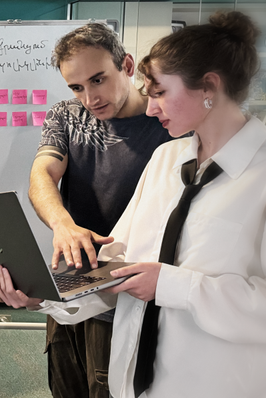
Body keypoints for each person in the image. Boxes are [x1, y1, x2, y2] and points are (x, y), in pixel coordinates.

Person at [0, 11, 266, 398]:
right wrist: (44, 295)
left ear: (209, 86)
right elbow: (117, 267)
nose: (152, 109)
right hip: (137, 381)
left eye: (159, 93)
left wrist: (172, 285)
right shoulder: (167, 160)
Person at [26, 23, 172, 398]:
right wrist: (62, 225)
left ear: (126, 65)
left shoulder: (167, 124)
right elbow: (42, 173)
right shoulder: (67, 115)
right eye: (77, 87)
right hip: (71, 281)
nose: (89, 97)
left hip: (126, 294)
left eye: (98, 80)